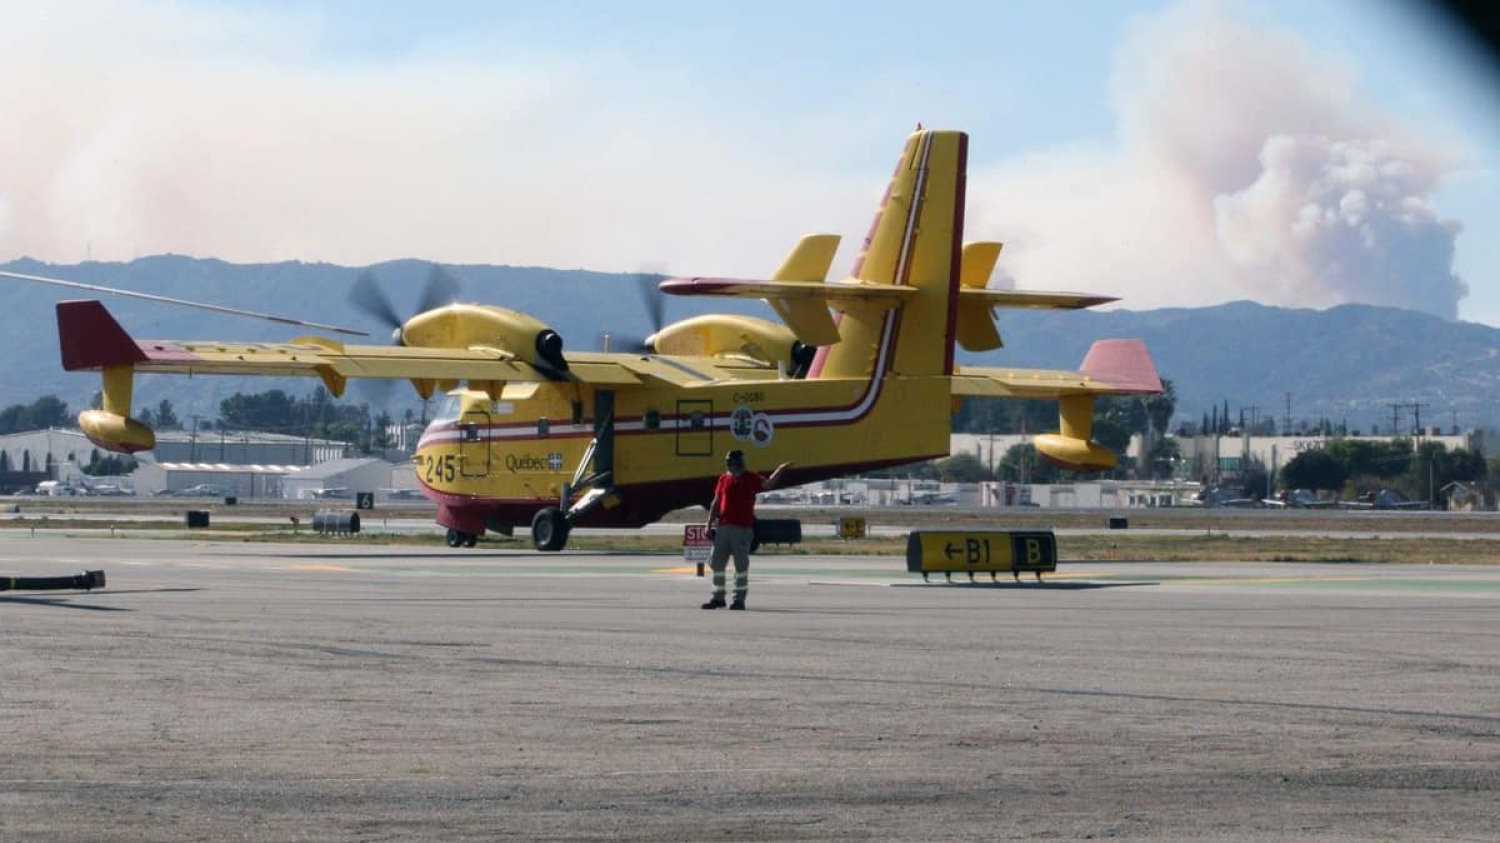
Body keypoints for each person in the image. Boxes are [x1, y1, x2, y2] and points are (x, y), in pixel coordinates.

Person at [702, 450, 792, 610]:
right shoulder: (723, 478)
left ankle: (739, 599)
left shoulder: (751, 478)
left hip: (742, 529)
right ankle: (718, 597)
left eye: (737, 463)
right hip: (723, 527)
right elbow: (716, 502)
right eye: (732, 463)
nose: (735, 466)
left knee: (741, 566)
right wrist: (708, 524)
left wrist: (780, 470)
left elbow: (768, 484)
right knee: (716, 563)